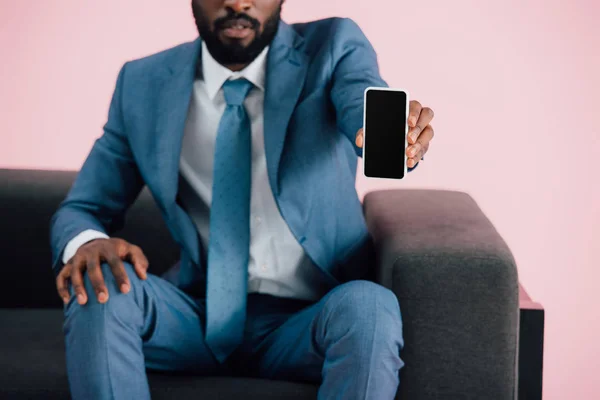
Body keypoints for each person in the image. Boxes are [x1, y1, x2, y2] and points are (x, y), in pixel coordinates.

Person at [50, 0, 435, 398]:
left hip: (308, 320)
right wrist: (89, 241)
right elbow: (83, 207)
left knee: (370, 308)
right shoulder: (143, 82)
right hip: (194, 316)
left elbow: (360, 99)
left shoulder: (333, 45)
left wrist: (386, 133)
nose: (237, 2)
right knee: (99, 286)